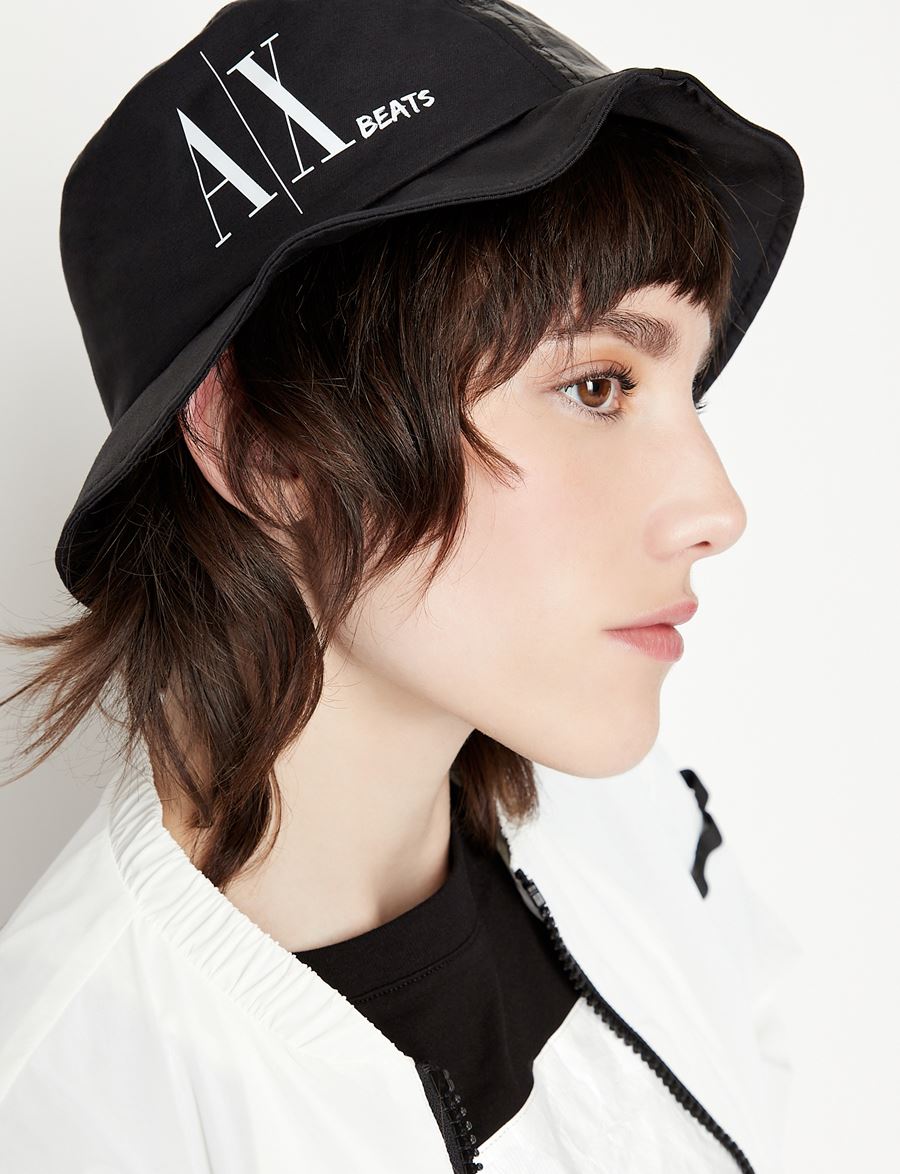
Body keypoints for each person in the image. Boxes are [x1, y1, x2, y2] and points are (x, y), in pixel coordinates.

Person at [0, 1, 804, 1171]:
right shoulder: (74, 1112)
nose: (716, 509)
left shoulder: (636, 822)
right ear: (268, 449)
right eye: (597, 385)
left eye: (690, 390)